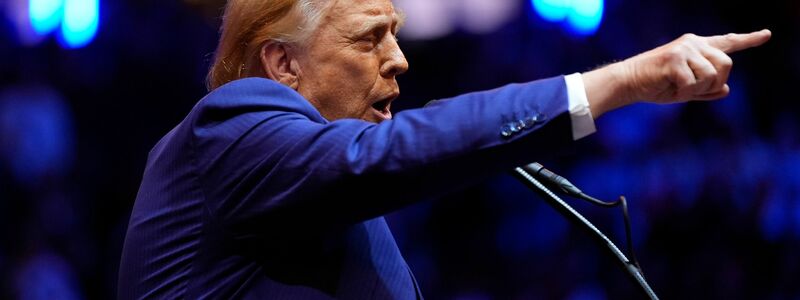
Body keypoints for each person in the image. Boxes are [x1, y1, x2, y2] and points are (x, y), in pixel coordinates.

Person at [117, 0, 771, 298]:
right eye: (370, 39)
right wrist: (619, 82)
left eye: (395, 35)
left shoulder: (313, 193)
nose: (399, 60)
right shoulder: (230, 125)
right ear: (283, 64)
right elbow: (398, 153)